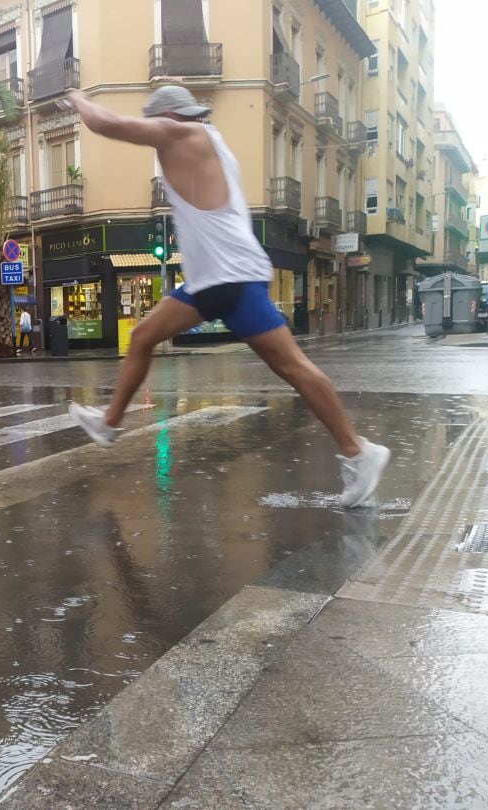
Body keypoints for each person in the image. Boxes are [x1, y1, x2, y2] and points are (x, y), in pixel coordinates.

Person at [65, 85, 389, 509]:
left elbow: (106, 123)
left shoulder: (182, 135)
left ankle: (358, 451)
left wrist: (77, 99)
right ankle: (109, 423)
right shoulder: (210, 140)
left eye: (159, 121)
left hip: (226, 277)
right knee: (145, 336)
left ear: (168, 117)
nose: (156, 131)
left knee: (292, 365)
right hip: (214, 279)